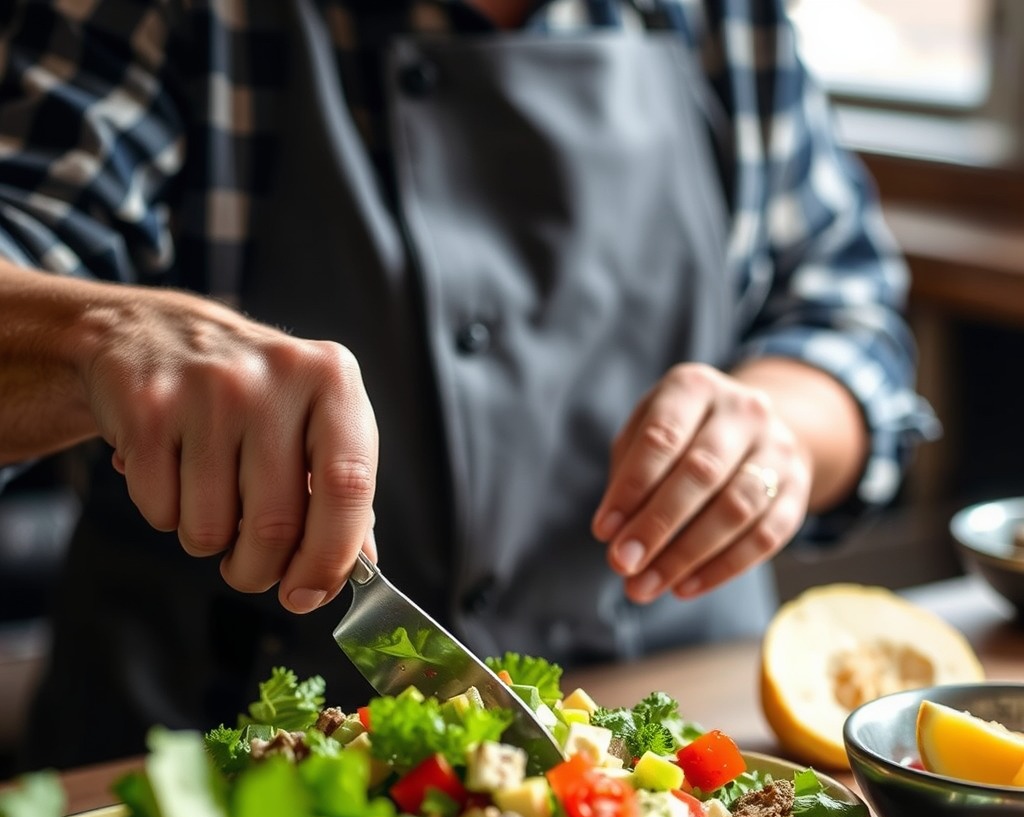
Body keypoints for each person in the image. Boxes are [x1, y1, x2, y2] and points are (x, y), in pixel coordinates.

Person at [0, 0, 936, 770]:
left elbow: (848, 318)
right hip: (204, 758)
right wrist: (106, 335)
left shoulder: (733, 20)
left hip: (688, 741)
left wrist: (784, 424)